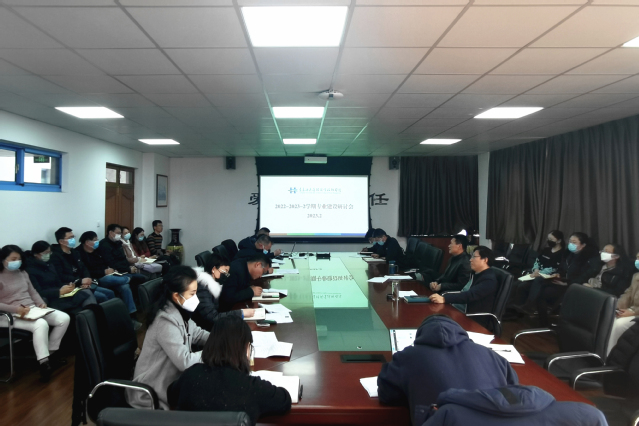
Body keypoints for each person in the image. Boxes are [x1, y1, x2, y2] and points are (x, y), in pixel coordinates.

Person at [377, 315, 518, 426]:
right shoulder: (492, 355)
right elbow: (515, 394)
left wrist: (413, 391)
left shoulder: (408, 356)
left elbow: (386, 393)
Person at [168, 315, 291, 423]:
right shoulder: (252, 387)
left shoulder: (191, 375)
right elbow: (284, 400)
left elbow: (171, 394)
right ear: (246, 349)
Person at [126, 266, 209, 410]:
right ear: (176, 296)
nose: (196, 298)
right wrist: (217, 351)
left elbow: (198, 334)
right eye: (192, 294)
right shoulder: (165, 320)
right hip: (151, 392)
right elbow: (185, 362)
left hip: (171, 383)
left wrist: (224, 339)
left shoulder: (180, 311)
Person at [0, 245, 71, 382]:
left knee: (63, 318)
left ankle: (50, 353)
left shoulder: (22, 272)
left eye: (19, 259)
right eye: (13, 259)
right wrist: (16, 309)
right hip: (8, 315)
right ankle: (44, 364)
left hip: (31, 309)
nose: (17, 262)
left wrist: (40, 303)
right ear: (3, 259)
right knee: (41, 324)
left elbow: (32, 291)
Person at [524, 232, 600, 326]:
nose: (571, 244)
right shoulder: (568, 254)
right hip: (562, 281)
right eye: (570, 241)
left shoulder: (589, 259)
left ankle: (541, 318)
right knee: (539, 282)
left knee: (543, 293)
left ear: (583, 245)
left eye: (574, 242)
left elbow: (583, 277)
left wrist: (567, 283)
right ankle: (536, 313)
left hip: (573, 286)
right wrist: (559, 274)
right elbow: (562, 268)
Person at [430, 246, 498, 328]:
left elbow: (470, 295)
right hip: (458, 309)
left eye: (474, 257)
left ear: (485, 260)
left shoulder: (489, 280)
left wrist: (445, 299)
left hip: (471, 318)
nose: (470, 260)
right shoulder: (476, 274)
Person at [24, 241, 97, 313]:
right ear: (36, 254)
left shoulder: (49, 264)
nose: (48, 255)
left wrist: (70, 286)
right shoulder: (30, 270)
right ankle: (89, 317)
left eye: (49, 252)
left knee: (86, 293)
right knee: (80, 307)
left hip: (62, 293)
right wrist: (59, 291)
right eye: (45, 253)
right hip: (51, 297)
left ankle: (92, 316)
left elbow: (58, 282)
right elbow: (38, 292)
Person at [77, 231, 138, 317]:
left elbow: (106, 262)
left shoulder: (98, 250)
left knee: (125, 287)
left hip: (108, 275)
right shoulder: (79, 254)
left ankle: (131, 313)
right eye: (95, 240)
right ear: (87, 242)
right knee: (109, 279)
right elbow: (86, 271)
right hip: (96, 279)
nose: (97, 242)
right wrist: (103, 272)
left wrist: (109, 269)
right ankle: (129, 278)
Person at [50, 227, 114, 303]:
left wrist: (87, 278)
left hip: (83, 283)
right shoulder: (55, 256)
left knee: (110, 293)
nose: (73, 239)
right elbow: (61, 276)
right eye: (70, 238)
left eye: (73, 237)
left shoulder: (75, 252)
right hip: (71, 286)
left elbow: (83, 268)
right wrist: (80, 281)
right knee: (102, 296)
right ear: (61, 241)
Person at [191, 254, 254, 331]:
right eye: (225, 271)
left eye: (227, 272)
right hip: (205, 330)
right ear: (214, 269)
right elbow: (212, 317)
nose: (226, 275)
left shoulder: (213, 284)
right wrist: (241, 313)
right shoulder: (202, 287)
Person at [512, 230, 566, 306]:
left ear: (559, 241)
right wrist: (535, 270)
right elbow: (537, 261)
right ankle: (510, 305)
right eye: (548, 239)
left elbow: (555, 268)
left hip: (545, 277)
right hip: (535, 274)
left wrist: (539, 273)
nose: (549, 241)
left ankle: (526, 306)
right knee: (515, 284)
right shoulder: (546, 250)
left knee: (522, 286)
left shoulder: (562, 254)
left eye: (551, 239)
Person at [607, 251, 639, 356]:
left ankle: (609, 355)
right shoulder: (636, 276)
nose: (637, 261)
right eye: (637, 258)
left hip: (636, 314)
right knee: (609, 318)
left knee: (619, 324)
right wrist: (616, 308)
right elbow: (627, 294)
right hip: (631, 310)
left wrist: (633, 312)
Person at [96, 224, 147, 288]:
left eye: (120, 233)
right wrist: (128, 269)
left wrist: (129, 267)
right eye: (118, 233)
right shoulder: (104, 245)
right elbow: (111, 263)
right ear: (111, 233)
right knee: (130, 284)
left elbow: (123, 258)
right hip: (116, 272)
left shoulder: (118, 243)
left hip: (124, 270)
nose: (119, 235)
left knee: (144, 278)